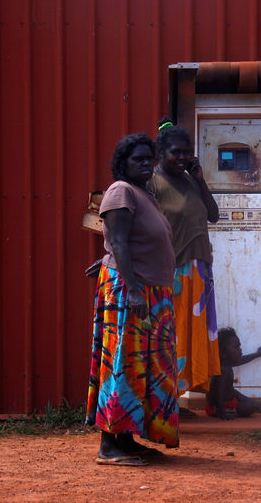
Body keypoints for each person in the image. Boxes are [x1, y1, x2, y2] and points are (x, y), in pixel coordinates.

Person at [85, 133, 179, 467]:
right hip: (131, 293)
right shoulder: (121, 190)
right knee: (123, 364)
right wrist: (134, 287)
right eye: (137, 159)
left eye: (148, 159)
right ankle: (109, 446)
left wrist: (112, 257)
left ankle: (126, 440)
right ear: (122, 163)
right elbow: (120, 243)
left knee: (142, 368)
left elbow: (125, 242)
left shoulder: (144, 195)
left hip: (151, 293)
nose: (145, 164)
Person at [149, 117, 221, 399]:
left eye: (186, 152)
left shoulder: (191, 180)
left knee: (192, 338)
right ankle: (163, 399)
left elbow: (213, 215)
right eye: (175, 152)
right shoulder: (153, 183)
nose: (182, 157)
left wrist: (201, 181)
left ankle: (175, 399)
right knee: (173, 335)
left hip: (200, 268)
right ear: (160, 154)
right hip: (173, 271)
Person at [206, 328, 261, 419]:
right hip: (218, 407)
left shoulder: (226, 364)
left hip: (228, 399)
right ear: (223, 353)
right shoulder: (223, 370)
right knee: (248, 407)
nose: (240, 350)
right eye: (236, 347)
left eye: (239, 346)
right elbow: (218, 393)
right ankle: (254, 406)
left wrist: (258, 353)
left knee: (235, 393)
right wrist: (222, 412)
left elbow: (242, 360)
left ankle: (257, 405)